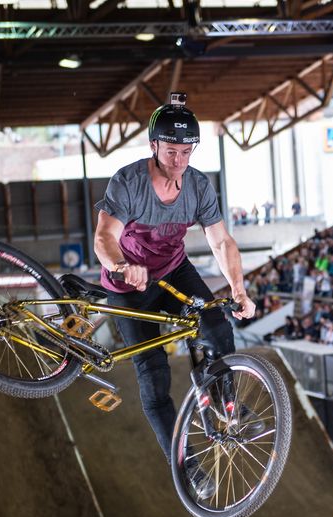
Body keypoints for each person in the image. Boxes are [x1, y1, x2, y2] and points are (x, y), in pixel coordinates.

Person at [93, 92, 258, 467]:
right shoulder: (129, 182)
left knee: (216, 324)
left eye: (186, 152)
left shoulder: (198, 186)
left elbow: (221, 241)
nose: (179, 161)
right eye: (171, 152)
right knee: (154, 379)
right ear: (153, 145)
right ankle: (185, 466)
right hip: (128, 288)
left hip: (173, 271)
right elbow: (103, 238)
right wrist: (121, 265)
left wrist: (238, 288)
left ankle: (225, 405)